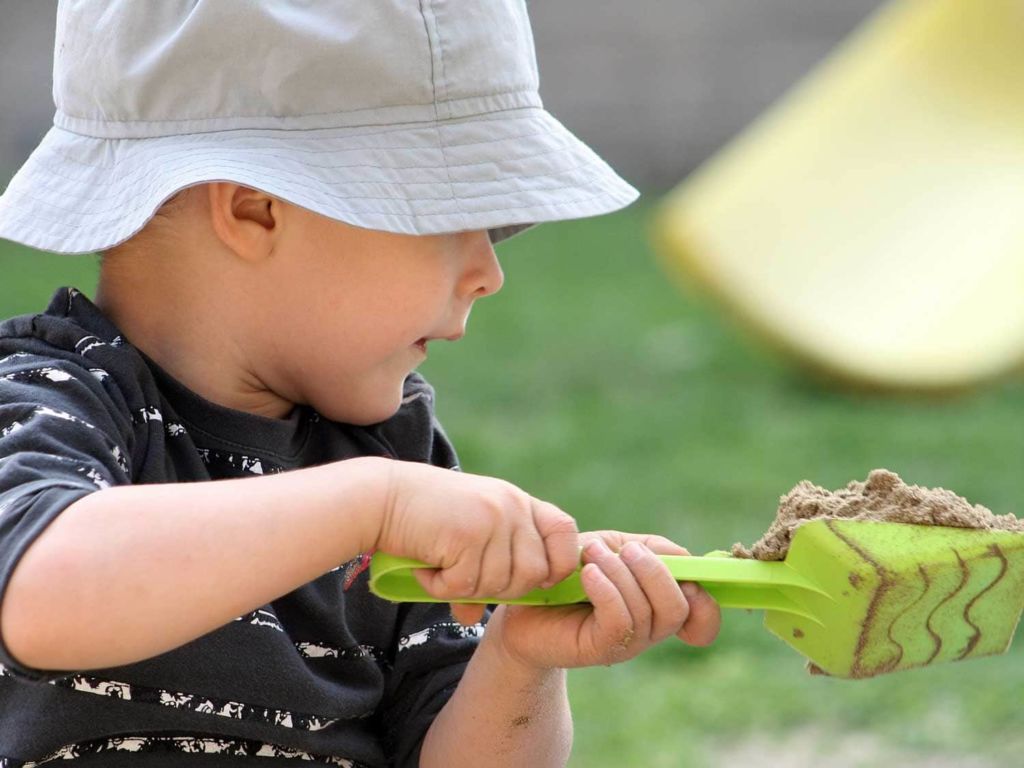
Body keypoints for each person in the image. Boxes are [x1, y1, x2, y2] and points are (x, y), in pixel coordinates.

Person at [0, 2, 721, 766]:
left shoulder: (390, 454)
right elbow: (40, 596)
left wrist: (518, 658)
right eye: (453, 216)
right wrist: (369, 506)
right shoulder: (50, 397)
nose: (489, 273)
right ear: (256, 209)